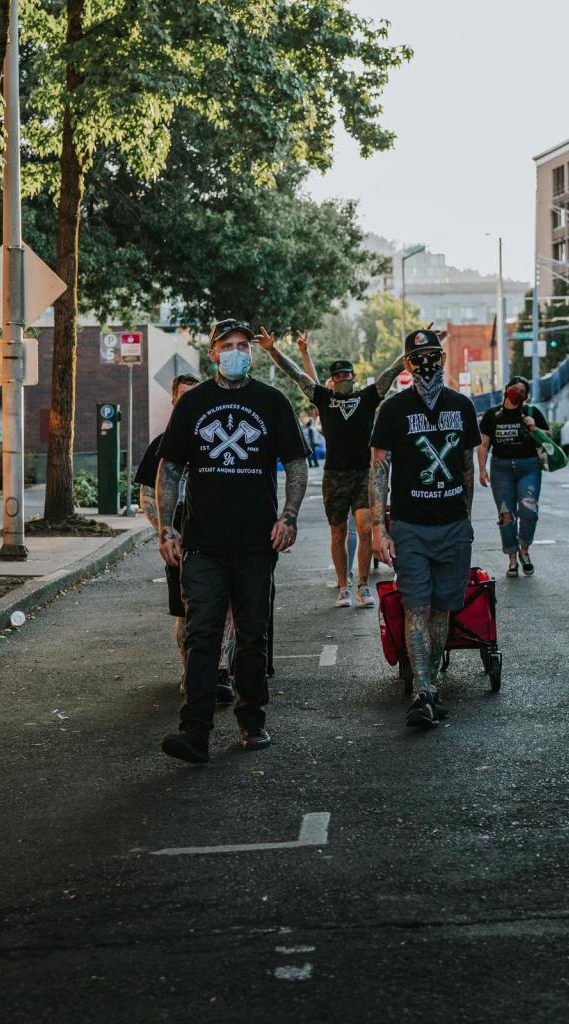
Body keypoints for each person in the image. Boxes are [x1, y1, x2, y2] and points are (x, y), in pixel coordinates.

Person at [155, 318, 309, 764]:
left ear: (252, 352)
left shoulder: (271, 401)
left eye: (244, 345)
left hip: (256, 544)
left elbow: (296, 463)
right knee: (202, 636)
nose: (237, 351)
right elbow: (170, 468)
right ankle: (194, 732)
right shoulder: (194, 403)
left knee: (252, 637)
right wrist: (168, 527)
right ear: (214, 350)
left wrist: (290, 516)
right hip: (202, 544)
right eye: (228, 345)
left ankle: (251, 719)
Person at [369, 329, 481, 730]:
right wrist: (378, 527)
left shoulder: (462, 406)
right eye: (418, 358)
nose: (426, 364)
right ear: (407, 364)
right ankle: (423, 691)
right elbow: (379, 471)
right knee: (416, 606)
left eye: (433, 355)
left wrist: (464, 519)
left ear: (444, 358)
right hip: (411, 527)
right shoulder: (393, 410)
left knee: (441, 610)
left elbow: (466, 467)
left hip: (453, 527)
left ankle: (431, 685)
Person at [257, 326, 403, 609]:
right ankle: (343, 586)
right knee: (337, 532)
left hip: (364, 474)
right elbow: (298, 377)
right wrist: (273, 350)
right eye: (337, 376)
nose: (342, 379)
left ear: (354, 377)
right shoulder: (324, 398)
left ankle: (363, 585)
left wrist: (411, 350)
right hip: (334, 476)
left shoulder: (367, 397)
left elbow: (391, 373)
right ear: (332, 380)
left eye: (346, 375)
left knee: (363, 528)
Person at [136, 374, 238, 703]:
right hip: (181, 530)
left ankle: (220, 671)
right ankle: (191, 672)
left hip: (220, 529)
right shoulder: (164, 443)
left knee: (227, 605)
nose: (190, 402)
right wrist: (167, 531)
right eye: (183, 396)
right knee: (187, 610)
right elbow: (148, 496)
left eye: (196, 395)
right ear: (174, 401)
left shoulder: (218, 436)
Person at [477, 375, 550, 578]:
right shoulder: (492, 415)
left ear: (526, 396)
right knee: (506, 514)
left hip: (529, 467)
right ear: (507, 389)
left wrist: (534, 427)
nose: (517, 393)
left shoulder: (531, 412)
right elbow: (483, 444)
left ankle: (524, 550)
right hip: (501, 469)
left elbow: (549, 436)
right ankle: (511, 558)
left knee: (529, 511)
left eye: (522, 391)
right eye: (515, 389)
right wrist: (482, 470)